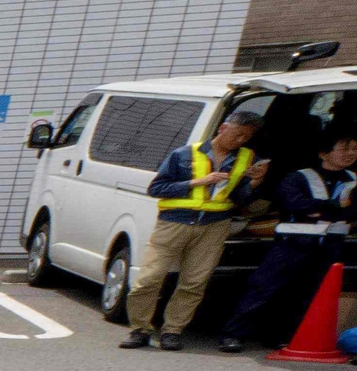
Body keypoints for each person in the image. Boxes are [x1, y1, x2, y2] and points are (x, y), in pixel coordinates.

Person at [123, 106, 264, 349]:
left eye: (246, 137)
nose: (240, 140)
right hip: (174, 222)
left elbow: (239, 199)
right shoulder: (183, 154)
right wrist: (198, 181)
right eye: (237, 134)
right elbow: (156, 188)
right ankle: (139, 328)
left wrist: (254, 182)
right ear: (223, 128)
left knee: (194, 282)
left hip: (214, 226)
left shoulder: (247, 159)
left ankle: (173, 331)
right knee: (149, 278)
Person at [223, 125, 356, 352]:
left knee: (306, 293)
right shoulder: (299, 177)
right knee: (264, 288)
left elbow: (350, 212)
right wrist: (336, 207)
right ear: (323, 153)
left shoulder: (353, 180)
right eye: (343, 148)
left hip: (330, 247)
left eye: (354, 149)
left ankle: (280, 336)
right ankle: (234, 335)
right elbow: (297, 204)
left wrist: (321, 210)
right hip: (293, 243)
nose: (350, 153)